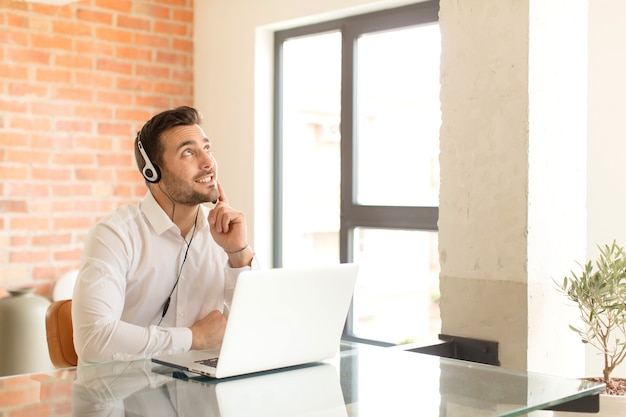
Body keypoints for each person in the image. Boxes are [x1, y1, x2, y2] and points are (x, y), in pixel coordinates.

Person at [72, 106, 258, 364]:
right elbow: (93, 340)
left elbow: (261, 328)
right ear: (153, 172)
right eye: (188, 152)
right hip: (126, 397)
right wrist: (193, 338)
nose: (208, 163)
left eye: (207, 149)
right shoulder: (115, 235)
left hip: (201, 397)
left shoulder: (222, 232)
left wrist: (238, 252)